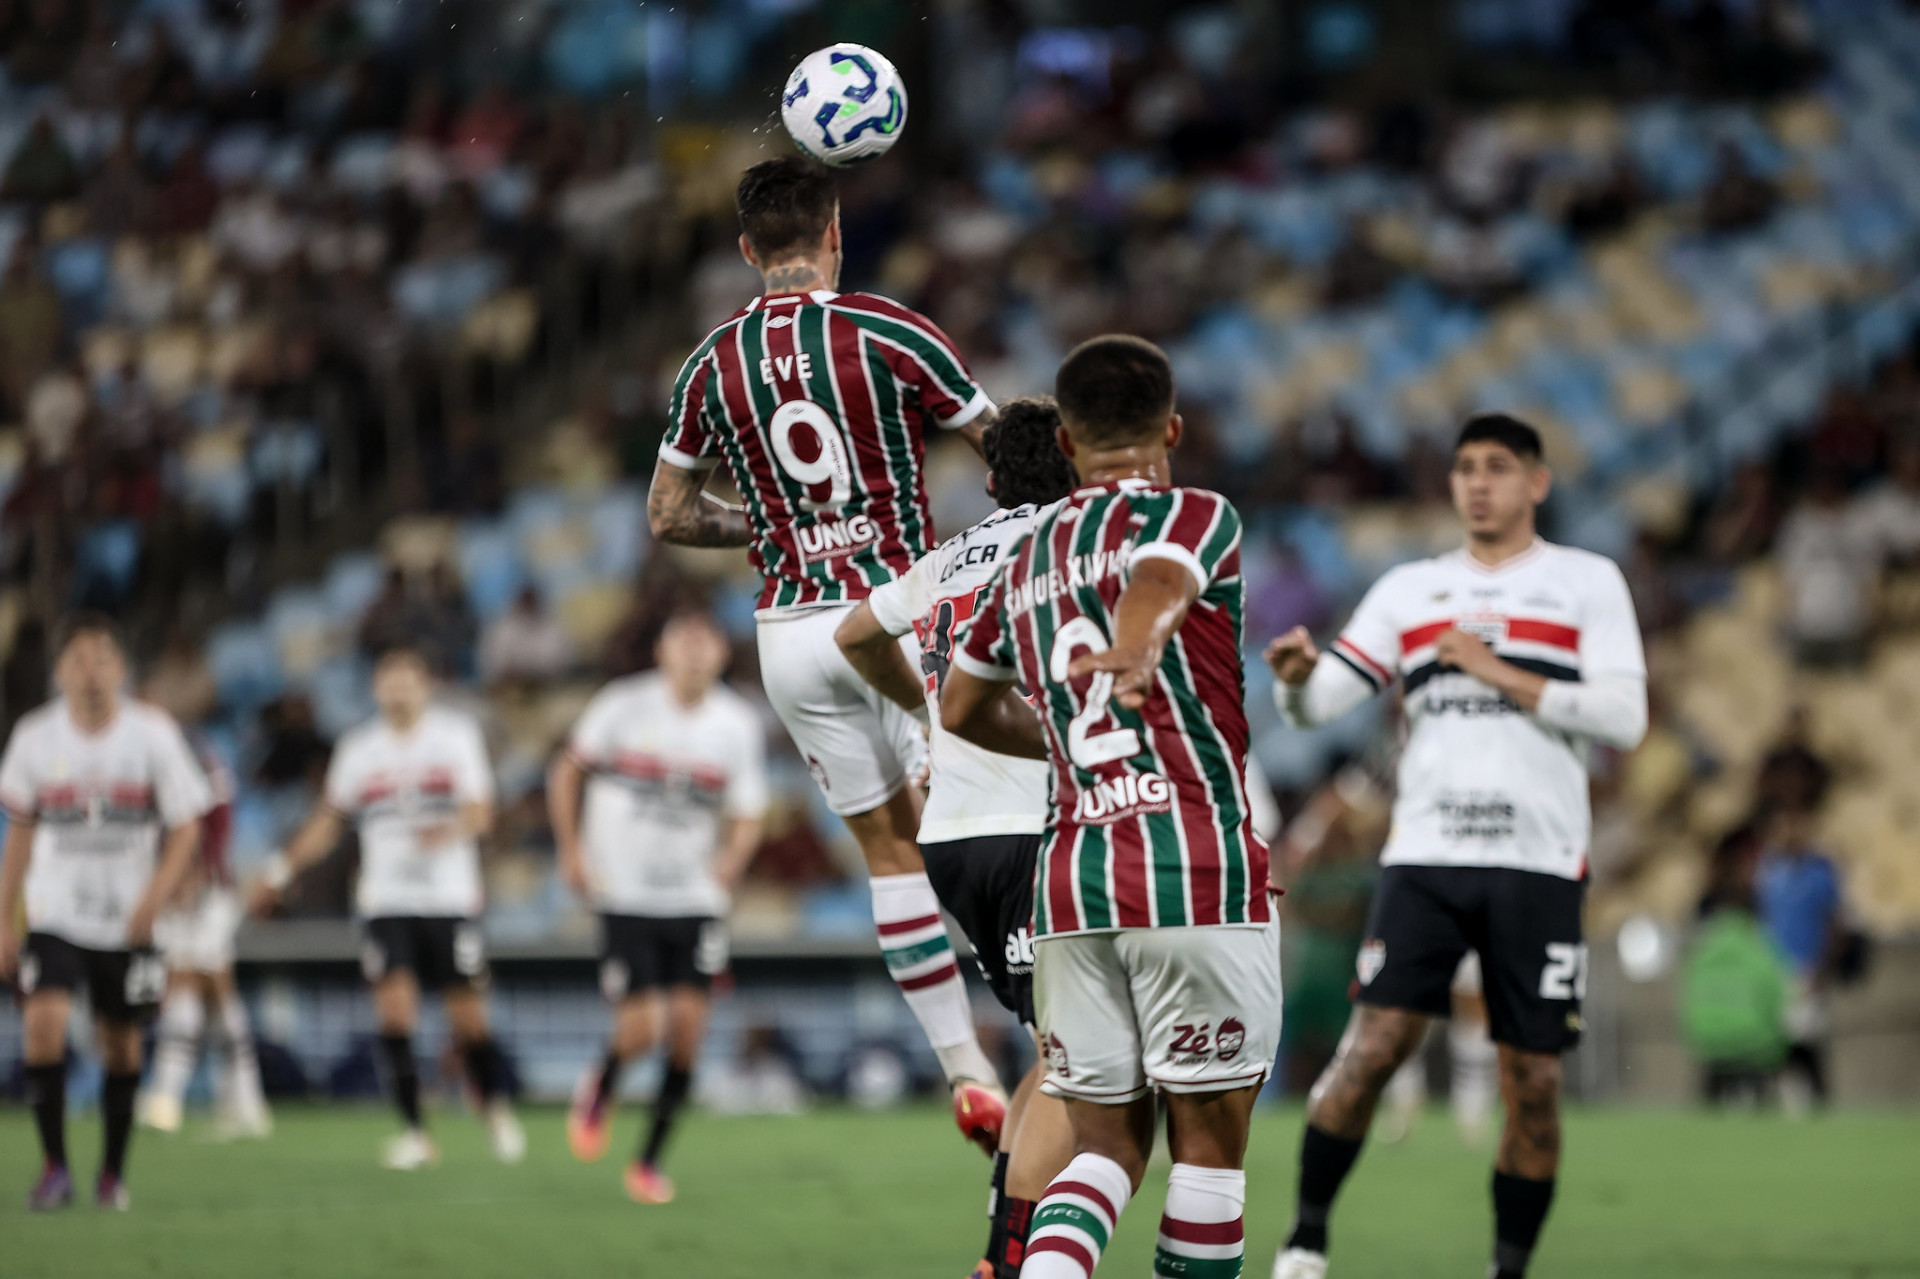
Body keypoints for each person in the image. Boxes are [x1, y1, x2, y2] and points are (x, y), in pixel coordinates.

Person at [645, 155, 1008, 1148]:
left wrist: (767, 533)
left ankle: (965, 1069)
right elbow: (1004, 449)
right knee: (980, 821)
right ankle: (1055, 1031)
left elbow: (668, 514)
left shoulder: (709, 363)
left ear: (744, 250)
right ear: (836, 234)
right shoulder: (889, 330)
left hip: (789, 635)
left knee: (889, 849)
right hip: (894, 611)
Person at [1265, 413, 1648, 1279]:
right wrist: (1292, 686)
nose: (1479, 482)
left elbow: (1625, 714)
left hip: (1540, 862)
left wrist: (1494, 667)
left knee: (1536, 1086)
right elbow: (1323, 699)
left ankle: (1506, 1269)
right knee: (1371, 1049)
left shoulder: (1587, 582)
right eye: (1465, 467)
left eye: (1499, 467)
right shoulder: (1409, 590)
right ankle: (1306, 1239)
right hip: (1427, 858)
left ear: (1537, 484)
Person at [942, 335, 1281, 1279]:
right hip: (1192, 867)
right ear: (1171, 427)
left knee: (1101, 1154)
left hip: (1073, 884)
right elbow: (1161, 577)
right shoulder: (1199, 514)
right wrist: (1135, 647)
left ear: (1066, 439)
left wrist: (1060, 741)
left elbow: (962, 706)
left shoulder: (1025, 558)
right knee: (1208, 1159)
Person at [834, 397, 1080, 1279]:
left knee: (1053, 1049)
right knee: (1076, 1060)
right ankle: (1015, 1262)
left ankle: (996, 1256)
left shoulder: (947, 558)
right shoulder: (1073, 540)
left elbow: (855, 631)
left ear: (989, 477)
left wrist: (925, 716)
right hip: (1034, 821)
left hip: (953, 834)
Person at [249, 646, 523, 1170]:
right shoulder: (359, 749)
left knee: (468, 1018)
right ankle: (416, 1132)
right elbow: (331, 820)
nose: (398, 687)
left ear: (425, 685)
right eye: (389, 678)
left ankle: (493, 1107)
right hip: (385, 900)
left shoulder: (454, 738)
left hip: (448, 898)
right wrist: (280, 871)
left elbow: (482, 810)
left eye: (408, 677)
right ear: (376, 687)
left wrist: (451, 828)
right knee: (394, 1011)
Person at [549, 608, 768, 1205]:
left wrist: (734, 858)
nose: (696, 651)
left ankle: (647, 1162)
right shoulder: (623, 705)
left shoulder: (736, 723)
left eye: (706, 641)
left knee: (689, 1033)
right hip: (625, 891)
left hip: (695, 896)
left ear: (721, 655)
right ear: (663, 652)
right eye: (684, 639)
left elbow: (749, 811)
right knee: (643, 1027)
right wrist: (570, 850)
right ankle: (605, 1079)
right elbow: (566, 772)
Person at [0, 614, 214, 1210]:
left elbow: (186, 824)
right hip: (54, 911)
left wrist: (156, 895)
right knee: (43, 1023)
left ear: (121, 670)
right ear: (60, 671)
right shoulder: (34, 738)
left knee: (121, 1043)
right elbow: (19, 832)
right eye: (78, 659)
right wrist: (2, 918)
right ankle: (53, 1169)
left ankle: (111, 1173)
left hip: (129, 919)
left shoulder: (152, 734)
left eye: (102, 658)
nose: (91, 670)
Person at [139, 714, 272, 1141]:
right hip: (186, 884)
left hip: (204, 890)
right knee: (213, 991)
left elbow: (206, 823)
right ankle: (245, 1101)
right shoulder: (197, 756)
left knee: (189, 980)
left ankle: (167, 1094)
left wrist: (192, 874)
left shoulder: (191, 758)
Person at [1754, 807, 1844, 1112]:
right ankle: (1787, 1103)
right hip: (1772, 970)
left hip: (1806, 968)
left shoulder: (1820, 873)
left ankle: (1815, 1100)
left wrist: (1822, 970)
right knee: (1775, 1042)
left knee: (1804, 1040)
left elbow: (1833, 925)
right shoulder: (1769, 871)